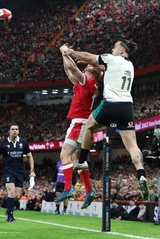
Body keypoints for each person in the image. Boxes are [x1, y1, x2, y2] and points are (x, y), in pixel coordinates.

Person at [61, 40, 149, 207]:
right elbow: (100, 67)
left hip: (111, 104)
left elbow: (90, 57)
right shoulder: (130, 66)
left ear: (122, 50)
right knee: (132, 146)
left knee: (89, 126)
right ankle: (141, 174)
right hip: (127, 107)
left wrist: (69, 52)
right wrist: (87, 62)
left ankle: (83, 159)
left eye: (115, 46)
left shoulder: (111, 59)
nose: (112, 49)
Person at [54, 44, 103, 209]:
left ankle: (67, 188)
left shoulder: (88, 81)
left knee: (64, 156)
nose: (86, 66)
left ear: (92, 71)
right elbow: (69, 71)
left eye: (88, 66)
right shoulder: (87, 84)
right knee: (76, 161)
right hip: (82, 123)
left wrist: (66, 52)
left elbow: (73, 69)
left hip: (79, 123)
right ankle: (89, 191)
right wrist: (64, 54)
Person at [0, 123, 35, 223]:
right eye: (12, 129)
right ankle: (10, 217)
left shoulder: (23, 143)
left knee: (17, 195)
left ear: (18, 131)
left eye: (16, 129)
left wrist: (32, 170)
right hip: (8, 171)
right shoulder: (3, 144)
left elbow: (30, 156)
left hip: (20, 172)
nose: (14, 131)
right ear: (9, 131)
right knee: (11, 192)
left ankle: (9, 209)